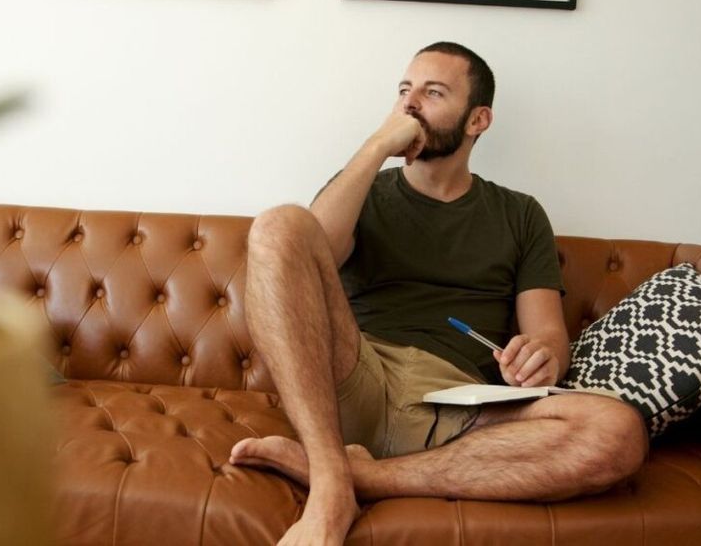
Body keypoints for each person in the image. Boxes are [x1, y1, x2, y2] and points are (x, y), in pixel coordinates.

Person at [229, 42, 648, 546]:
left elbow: (549, 341)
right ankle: (332, 481)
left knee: (618, 431)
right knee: (279, 225)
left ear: (478, 120)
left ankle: (358, 477)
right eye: (404, 91)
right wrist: (377, 147)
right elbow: (311, 250)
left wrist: (540, 358)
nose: (410, 104)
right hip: (355, 375)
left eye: (433, 93)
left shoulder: (520, 214)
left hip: (456, 409)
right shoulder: (363, 188)